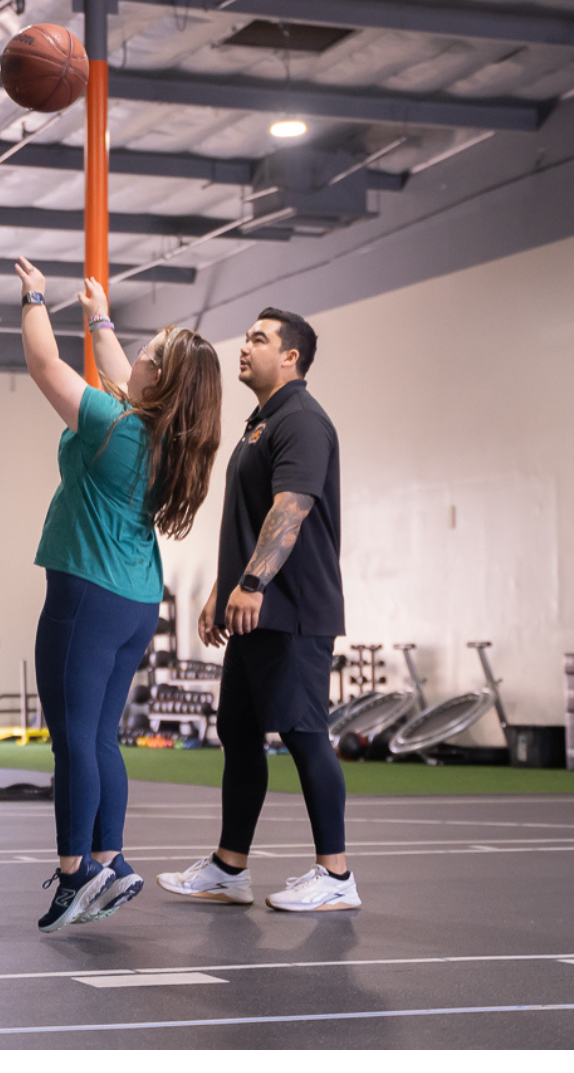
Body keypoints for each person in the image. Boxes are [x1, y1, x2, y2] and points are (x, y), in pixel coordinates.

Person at [15, 257, 222, 932]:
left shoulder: (117, 427)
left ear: (159, 379)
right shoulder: (163, 435)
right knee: (99, 737)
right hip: (134, 603)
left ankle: (75, 875)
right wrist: (98, 312)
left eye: (150, 352)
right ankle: (113, 862)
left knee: (72, 741)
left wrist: (34, 298)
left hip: (86, 599)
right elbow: (116, 371)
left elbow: (47, 367)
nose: (135, 353)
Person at [157, 309, 357, 913]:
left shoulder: (302, 421)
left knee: (303, 735)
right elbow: (249, 517)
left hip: (291, 611)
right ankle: (228, 868)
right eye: (246, 336)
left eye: (259, 339)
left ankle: (336, 876)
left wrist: (251, 582)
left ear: (291, 357)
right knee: (239, 733)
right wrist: (225, 588)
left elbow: (290, 509)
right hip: (255, 607)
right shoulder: (260, 422)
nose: (244, 347)